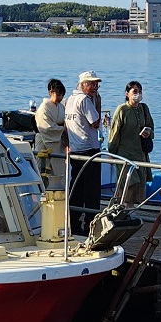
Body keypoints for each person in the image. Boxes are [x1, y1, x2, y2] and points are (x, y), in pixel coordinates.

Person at [63, 72, 104, 229]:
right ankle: (90, 225)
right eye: (92, 84)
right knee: (92, 192)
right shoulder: (85, 100)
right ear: (83, 84)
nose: (95, 87)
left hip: (75, 149)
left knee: (77, 188)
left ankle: (73, 223)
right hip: (89, 150)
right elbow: (95, 123)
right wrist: (97, 104)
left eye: (96, 84)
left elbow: (66, 127)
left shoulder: (70, 100)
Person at [107, 80, 155, 208]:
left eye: (139, 91)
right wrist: (112, 152)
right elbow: (114, 132)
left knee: (140, 186)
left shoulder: (144, 108)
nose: (137, 94)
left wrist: (148, 133)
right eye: (134, 91)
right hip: (125, 154)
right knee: (128, 184)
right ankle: (125, 210)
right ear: (127, 93)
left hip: (140, 153)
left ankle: (134, 212)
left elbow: (151, 126)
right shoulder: (122, 110)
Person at [32, 79, 67, 192]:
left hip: (58, 141)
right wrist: (62, 128)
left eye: (61, 94)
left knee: (59, 169)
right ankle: (42, 191)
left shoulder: (61, 107)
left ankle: (59, 191)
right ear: (50, 92)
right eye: (57, 94)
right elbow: (46, 127)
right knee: (43, 169)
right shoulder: (44, 107)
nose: (60, 97)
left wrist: (63, 128)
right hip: (44, 139)